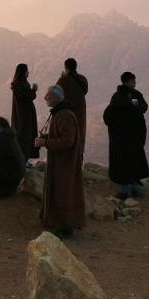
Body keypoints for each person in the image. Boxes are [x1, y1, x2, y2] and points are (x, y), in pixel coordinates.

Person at [35, 85, 86, 237]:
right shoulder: (60, 113)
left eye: (48, 96)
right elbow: (60, 134)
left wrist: (46, 143)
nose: (45, 98)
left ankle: (66, 226)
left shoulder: (64, 115)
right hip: (60, 162)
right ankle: (56, 222)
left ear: (57, 97)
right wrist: (46, 138)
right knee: (59, 192)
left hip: (65, 164)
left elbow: (67, 141)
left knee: (64, 193)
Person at [102, 71, 149, 199]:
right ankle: (134, 189)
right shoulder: (133, 96)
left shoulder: (115, 97)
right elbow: (141, 110)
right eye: (134, 81)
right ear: (128, 81)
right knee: (133, 161)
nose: (135, 83)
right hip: (132, 136)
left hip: (118, 138)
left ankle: (123, 191)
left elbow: (108, 116)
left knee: (121, 162)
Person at [10, 63, 39, 163]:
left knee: (26, 137)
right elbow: (27, 97)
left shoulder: (20, 83)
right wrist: (34, 90)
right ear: (23, 72)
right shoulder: (19, 84)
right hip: (23, 117)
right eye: (27, 71)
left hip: (25, 115)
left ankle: (23, 160)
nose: (28, 73)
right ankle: (22, 161)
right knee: (24, 137)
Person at [56, 58, 89, 143]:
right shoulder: (82, 79)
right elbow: (85, 91)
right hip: (80, 113)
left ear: (66, 67)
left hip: (68, 115)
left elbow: (56, 94)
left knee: (69, 140)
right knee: (79, 139)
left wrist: (62, 78)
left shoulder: (63, 80)